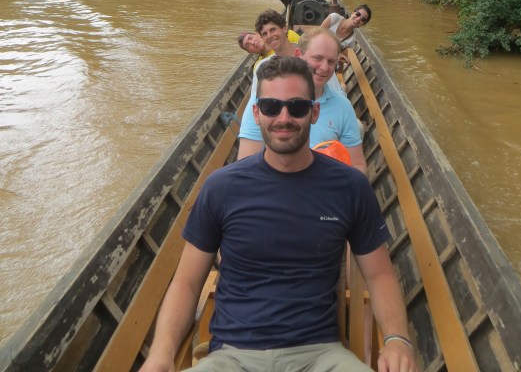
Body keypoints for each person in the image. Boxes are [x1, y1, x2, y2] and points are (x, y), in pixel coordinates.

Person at [139, 56, 417, 372]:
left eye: (297, 107)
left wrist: (397, 339)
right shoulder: (222, 187)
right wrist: (161, 354)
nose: (283, 117)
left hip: (320, 356)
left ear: (313, 113)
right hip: (232, 357)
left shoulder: (350, 187)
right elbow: (187, 282)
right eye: (272, 107)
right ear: (256, 114)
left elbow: (380, 275)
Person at [238, 27, 367, 174]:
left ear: (314, 112)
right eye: (317, 58)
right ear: (299, 55)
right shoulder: (266, 103)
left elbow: (357, 166)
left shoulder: (343, 107)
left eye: (331, 62)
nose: (324, 67)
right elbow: (246, 169)